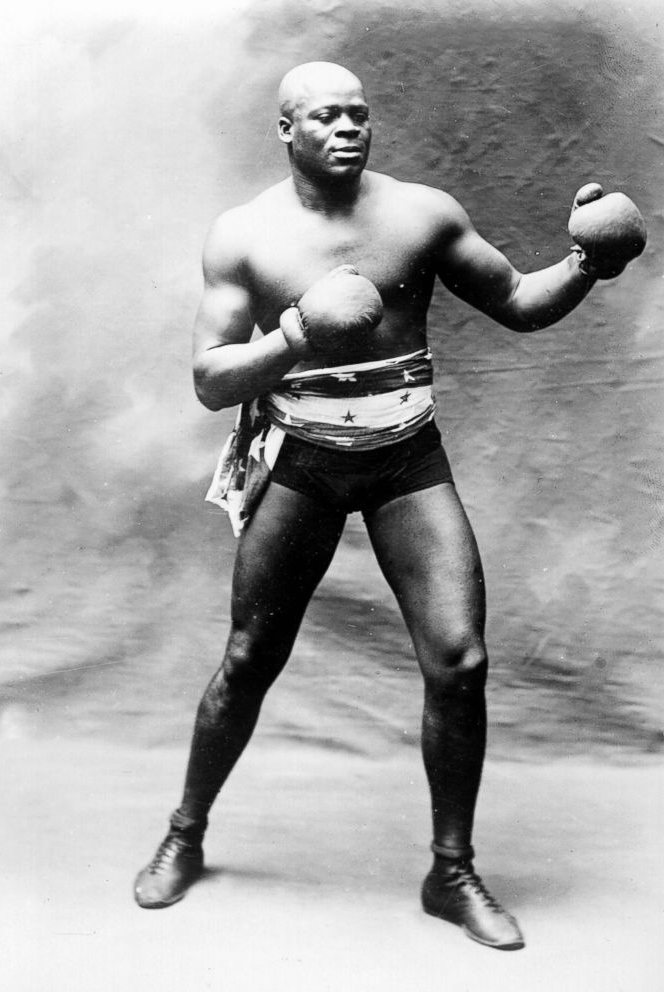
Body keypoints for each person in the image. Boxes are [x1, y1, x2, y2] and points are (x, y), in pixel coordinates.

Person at [134, 61, 644, 950]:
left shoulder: (421, 213)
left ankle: (451, 873)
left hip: (406, 457)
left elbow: (520, 304)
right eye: (325, 116)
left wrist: (585, 263)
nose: (347, 128)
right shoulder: (244, 235)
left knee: (460, 660)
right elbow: (210, 380)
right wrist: (293, 335)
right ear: (285, 130)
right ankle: (185, 831)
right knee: (250, 656)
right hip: (301, 463)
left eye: (358, 114)